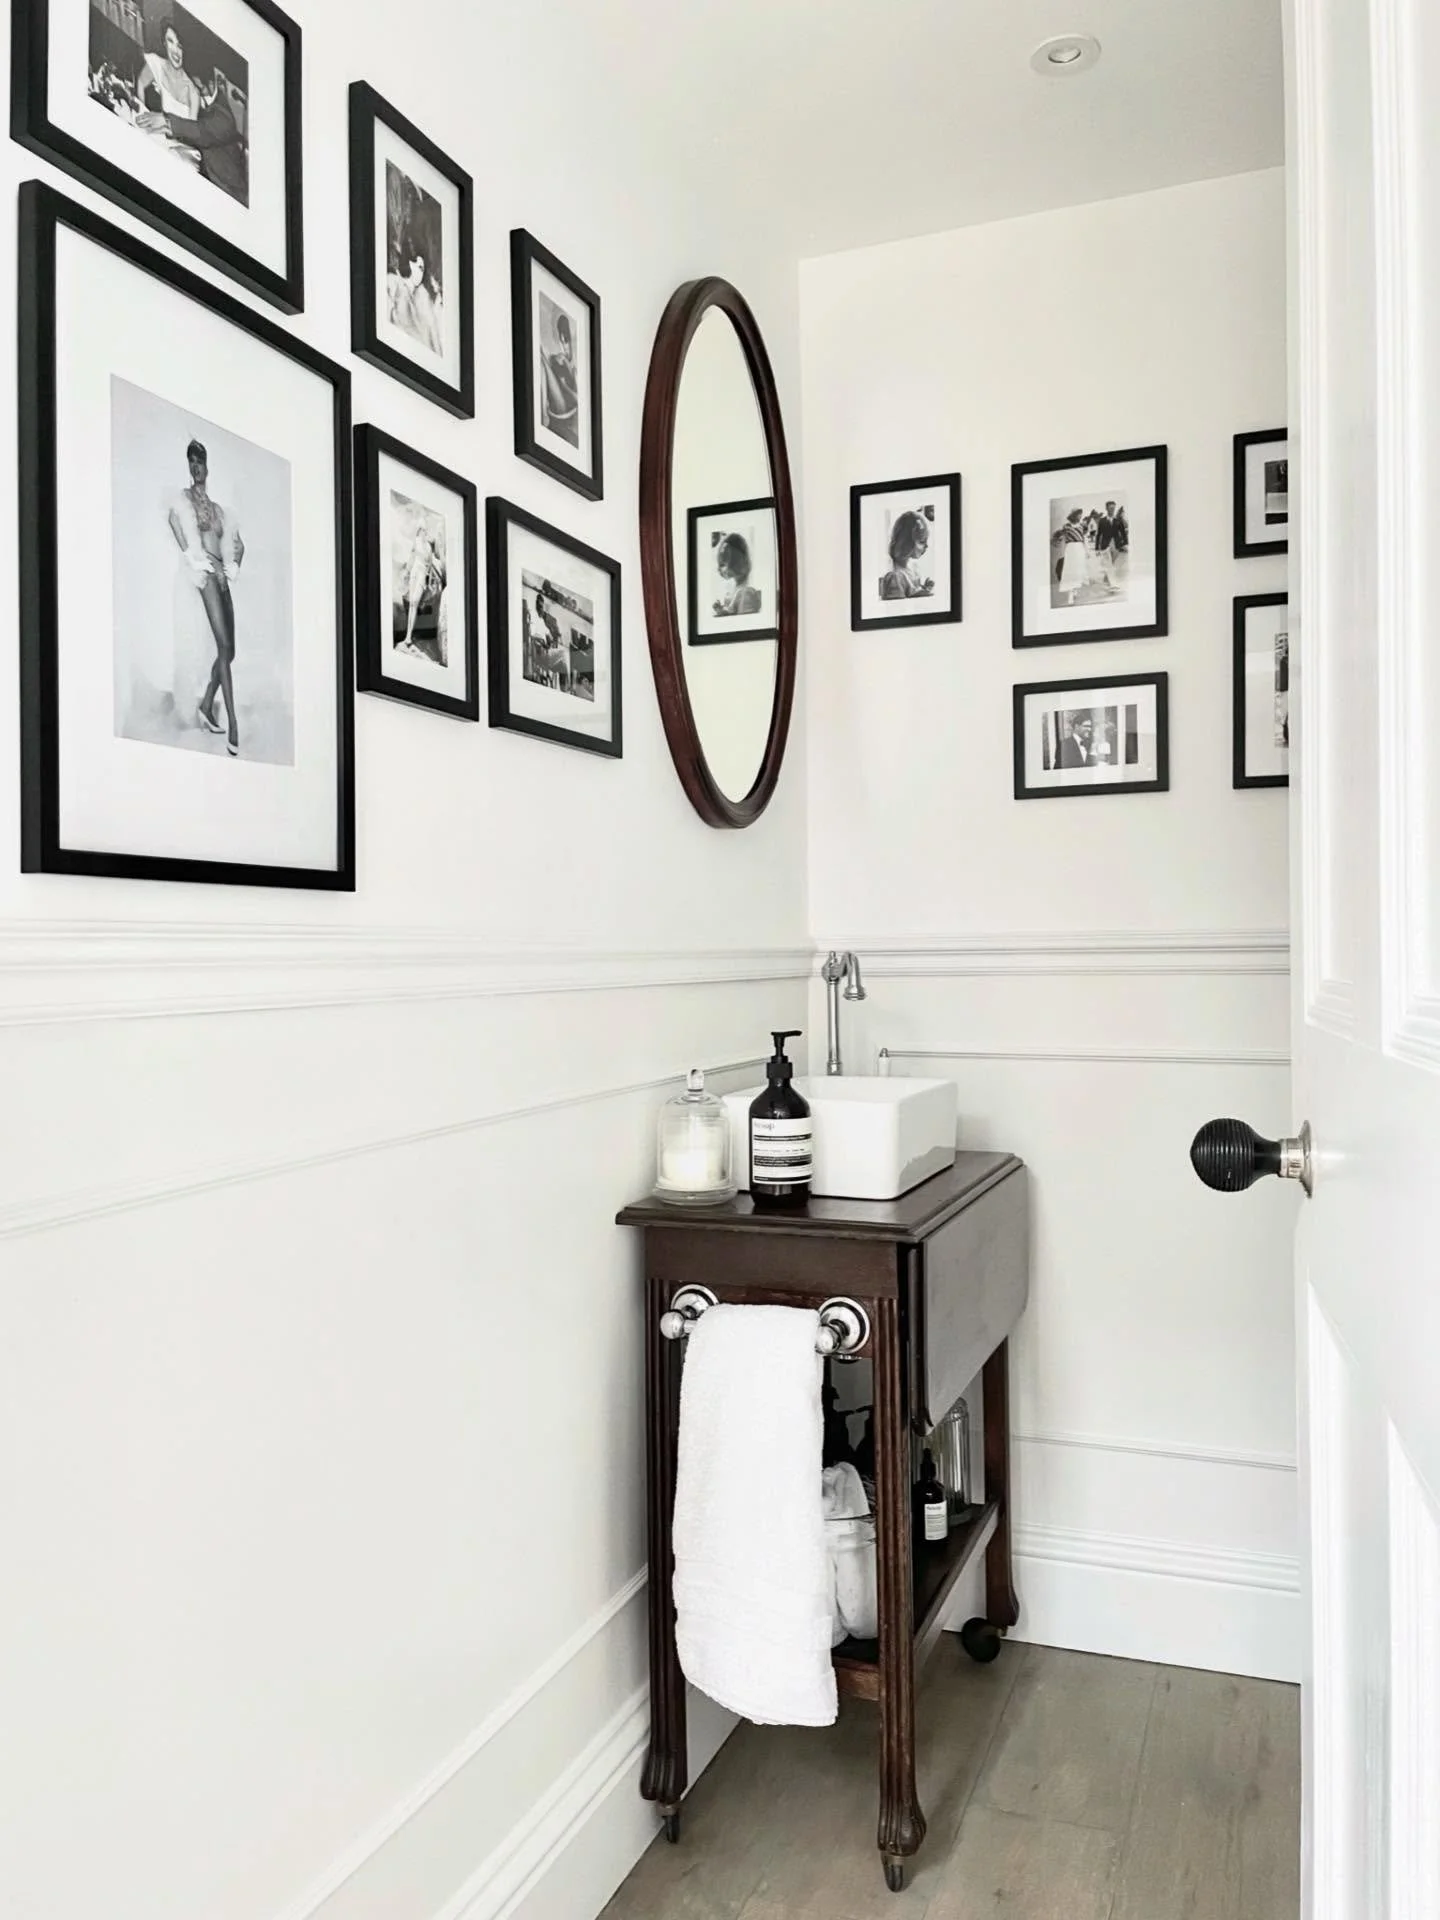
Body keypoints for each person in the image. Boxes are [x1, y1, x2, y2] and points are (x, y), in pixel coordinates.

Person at [168, 437, 244, 758]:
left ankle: (207, 704)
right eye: (192, 461)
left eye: (200, 461)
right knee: (223, 646)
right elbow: (173, 519)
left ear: (207, 467)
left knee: (231, 650)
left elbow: (239, 543)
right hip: (206, 573)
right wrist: (191, 556)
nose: (196, 466)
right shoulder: (185, 498)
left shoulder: (217, 509)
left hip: (222, 576)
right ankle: (233, 722)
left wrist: (235, 565)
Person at [139, 69, 248, 205]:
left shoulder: (224, 117)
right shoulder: (202, 103)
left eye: (198, 89)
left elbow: (201, 130)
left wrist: (167, 121)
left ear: (210, 85)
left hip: (229, 193)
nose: (194, 92)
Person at [396, 522, 447, 666]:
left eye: (425, 530)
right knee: (412, 604)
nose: (423, 532)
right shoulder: (417, 542)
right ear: (419, 531)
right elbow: (411, 560)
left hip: (422, 576)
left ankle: (409, 636)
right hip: (414, 573)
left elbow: (429, 566)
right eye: (421, 530)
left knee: (414, 603)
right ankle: (408, 636)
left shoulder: (428, 547)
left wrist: (429, 582)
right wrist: (406, 574)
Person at [137, 23, 200, 123]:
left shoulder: (192, 92)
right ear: (164, 43)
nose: (175, 51)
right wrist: (142, 112)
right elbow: (141, 83)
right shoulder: (157, 64)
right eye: (170, 41)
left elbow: (191, 130)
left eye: (180, 46)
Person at [541, 311, 580, 447]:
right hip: (556, 408)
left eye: (566, 342)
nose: (564, 347)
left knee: (543, 359)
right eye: (562, 342)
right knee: (545, 360)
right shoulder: (558, 359)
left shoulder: (575, 370)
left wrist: (564, 386)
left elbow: (578, 400)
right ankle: (543, 411)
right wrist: (555, 361)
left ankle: (544, 414)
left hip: (568, 411)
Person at [878, 509, 934, 600]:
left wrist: (925, 589)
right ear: (907, 543)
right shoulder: (895, 577)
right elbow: (898, 606)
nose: (927, 546)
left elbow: (913, 591)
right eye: (922, 541)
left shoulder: (914, 568)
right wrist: (921, 595)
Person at [712, 531, 761, 618]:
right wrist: (722, 611)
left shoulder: (747, 593)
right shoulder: (732, 589)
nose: (719, 570)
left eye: (723, 564)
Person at [1052, 508, 1090, 604]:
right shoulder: (1067, 526)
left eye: (1081, 514)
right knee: (1070, 570)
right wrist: (1056, 540)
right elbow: (1060, 536)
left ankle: (1074, 589)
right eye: (1078, 514)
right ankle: (1070, 594)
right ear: (1073, 515)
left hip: (1080, 549)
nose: (1080, 516)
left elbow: (1085, 539)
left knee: (1078, 571)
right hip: (1070, 549)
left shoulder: (1082, 526)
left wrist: (1087, 551)